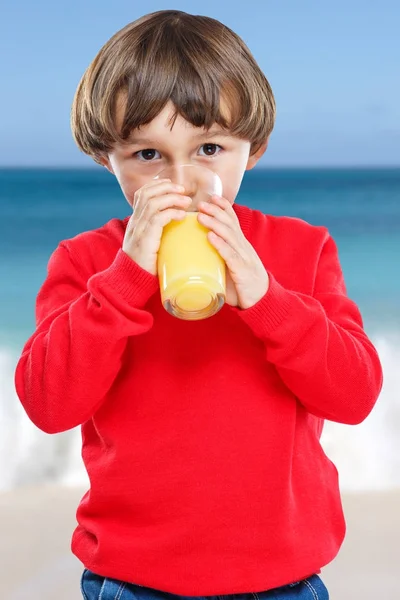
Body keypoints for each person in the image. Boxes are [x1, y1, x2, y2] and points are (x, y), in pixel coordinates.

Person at [14, 9, 383, 600]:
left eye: (208, 147)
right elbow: (48, 404)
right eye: (147, 156)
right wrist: (126, 278)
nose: (181, 181)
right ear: (105, 155)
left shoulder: (301, 250)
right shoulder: (87, 264)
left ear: (253, 149)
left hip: (282, 579)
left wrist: (267, 298)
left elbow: (355, 395)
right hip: (132, 580)